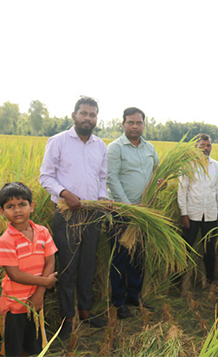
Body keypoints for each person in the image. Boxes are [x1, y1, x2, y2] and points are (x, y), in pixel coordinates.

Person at [39, 96, 107, 340]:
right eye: (84, 113)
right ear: (74, 116)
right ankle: (67, 318)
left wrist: (103, 198)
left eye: (92, 114)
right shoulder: (58, 142)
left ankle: (86, 311)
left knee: (88, 265)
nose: (88, 118)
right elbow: (45, 177)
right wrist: (65, 194)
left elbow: (102, 179)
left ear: (96, 118)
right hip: (67, 214)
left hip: (93, 213)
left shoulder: (100, 145)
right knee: (67, 267)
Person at [106, 107, 158, 319]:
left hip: (144, 211)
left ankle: (134, 296)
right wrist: (129, 207)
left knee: (138, 256)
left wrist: (157, 187)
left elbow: (156, 171)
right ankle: (118, 302)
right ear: (123, 124)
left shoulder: (149, 148)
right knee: (120, 258)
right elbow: (112, 179)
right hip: (121, 212)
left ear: (144, 124)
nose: (135, 126)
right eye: (131, 123)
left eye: (138, 123)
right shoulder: (115, 148)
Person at [0, 182, 58, 356]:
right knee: (14, 350)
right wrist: (46, 282)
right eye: (10, 206)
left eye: (22, 204)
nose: (17, 210)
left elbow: (50, 262)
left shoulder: (43, 232)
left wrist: (39, 294)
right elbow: (14, 274)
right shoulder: (7, 240)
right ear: (2, 211)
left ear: (31, 206)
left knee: (32, 347)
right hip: (14, 307)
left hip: (35, 304)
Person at [177, 133, 218, 284]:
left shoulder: (215, 166)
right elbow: (182, 190)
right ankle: (178, 279)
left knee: (210, 248)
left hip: (210, 214)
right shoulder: (187, 165)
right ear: (195, 147)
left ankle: (210, 278)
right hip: (192, 213)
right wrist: (184, 214)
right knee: (187, 247)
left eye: (208, 145)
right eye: (202, 145)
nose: (205, 148)